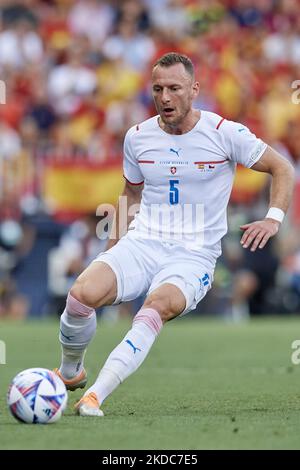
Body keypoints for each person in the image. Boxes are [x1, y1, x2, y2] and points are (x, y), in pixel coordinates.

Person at [54, 52, 295, 417]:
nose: (165, 97)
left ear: (194, 89)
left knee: (155, 308)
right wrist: (112, 248)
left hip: (193, 255)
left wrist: (273, 219)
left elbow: (282, 167)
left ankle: (95, 397)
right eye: (158, 89)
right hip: (143, 243)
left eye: (174, 89)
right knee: (79, 296)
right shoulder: (137, 137)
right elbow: (131, 194)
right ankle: (71, 372)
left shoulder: (223, 133)